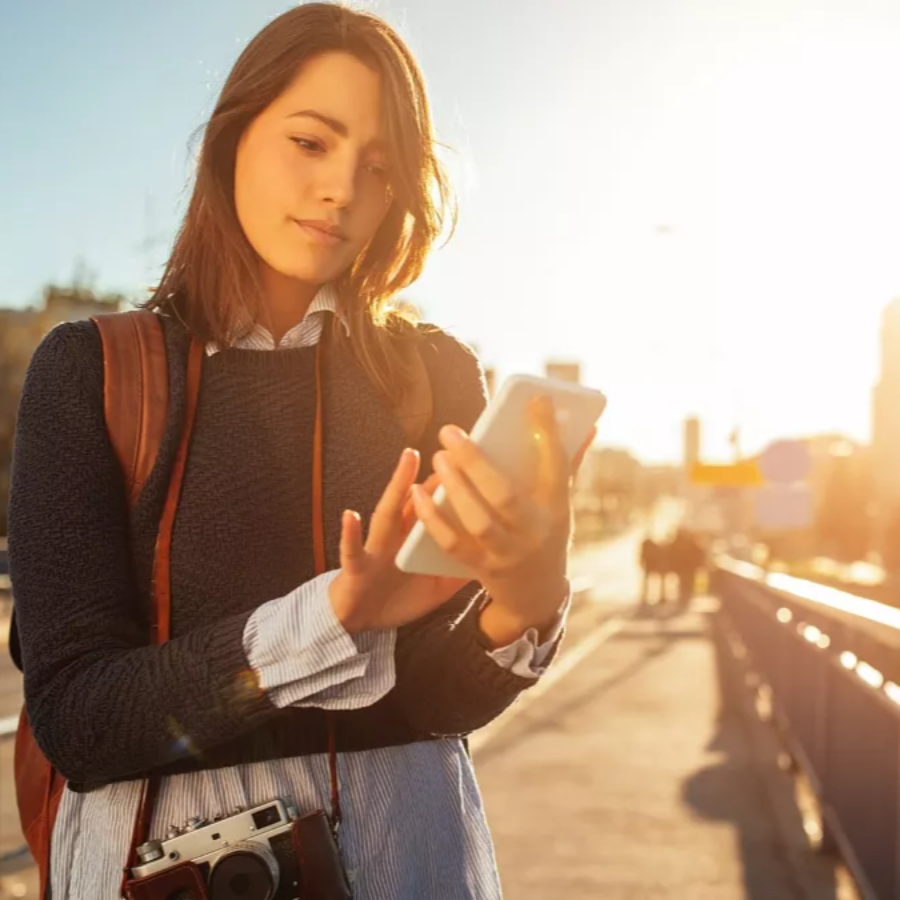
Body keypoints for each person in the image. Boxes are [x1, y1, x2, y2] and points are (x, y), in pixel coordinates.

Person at [7, 5, 594, 899]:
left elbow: (436, 707)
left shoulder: (434, 374)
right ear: (233, 135)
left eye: (379, 167)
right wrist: (334, 617)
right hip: (170, 871)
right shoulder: (91, 369)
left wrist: (525, 599)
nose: (341, 191)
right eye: (312, 142)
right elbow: (80, 724)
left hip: (414, 856)